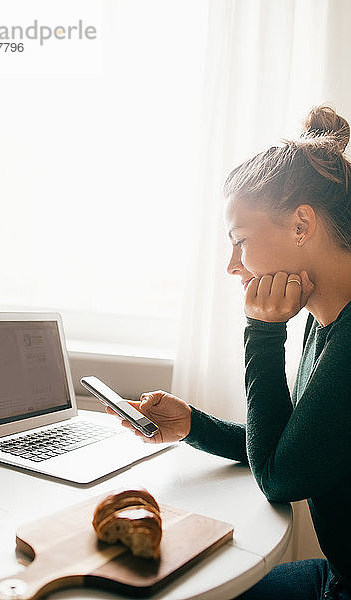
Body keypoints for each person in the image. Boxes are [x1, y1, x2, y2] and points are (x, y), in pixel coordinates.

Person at [107, 105, 351, 600]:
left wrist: (261, 334)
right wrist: (193, 426)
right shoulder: (325, 320)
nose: (232, 266)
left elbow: (281, 479)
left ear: (302, 224)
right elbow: (296, 449)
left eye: (240, 242)